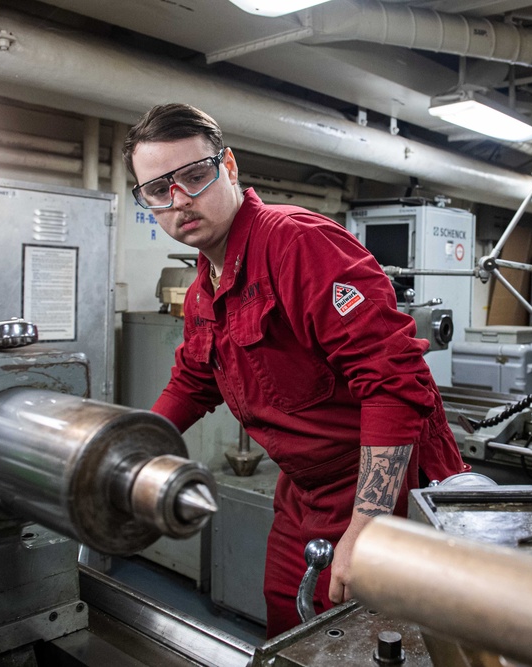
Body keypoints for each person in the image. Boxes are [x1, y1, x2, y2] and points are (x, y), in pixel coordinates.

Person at [123, 103, 467, 638]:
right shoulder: (204, 289)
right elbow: (193, 381)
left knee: (364, 640)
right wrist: (128, 449)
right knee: (289, 625)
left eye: (195, 176)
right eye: (157, 191)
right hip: (303, 492)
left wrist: (369, 524)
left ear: (229, 166)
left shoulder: (298, 245)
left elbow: (393, 383)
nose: (180, 201)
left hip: (381, 483)